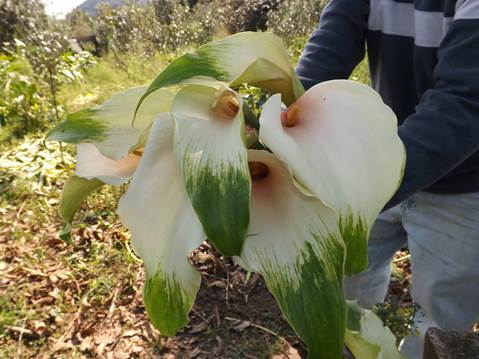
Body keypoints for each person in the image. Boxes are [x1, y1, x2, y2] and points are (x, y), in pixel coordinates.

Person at [296, 0, 479, 358]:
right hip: (377, 162)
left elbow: (465, 99)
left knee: (438, 324)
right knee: (345, 285)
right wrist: (281, 119)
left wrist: (370, 178)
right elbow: (327, 51)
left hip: (463, 187)